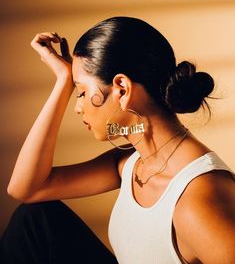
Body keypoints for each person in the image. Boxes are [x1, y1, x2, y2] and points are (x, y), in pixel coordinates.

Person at [0, 17, 235, 264]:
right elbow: (26, 188)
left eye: (80, 91)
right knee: (35, 219)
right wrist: (63, 81)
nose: (78, 107)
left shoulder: (200, 200)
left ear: (121, 88)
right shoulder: (130, 163)